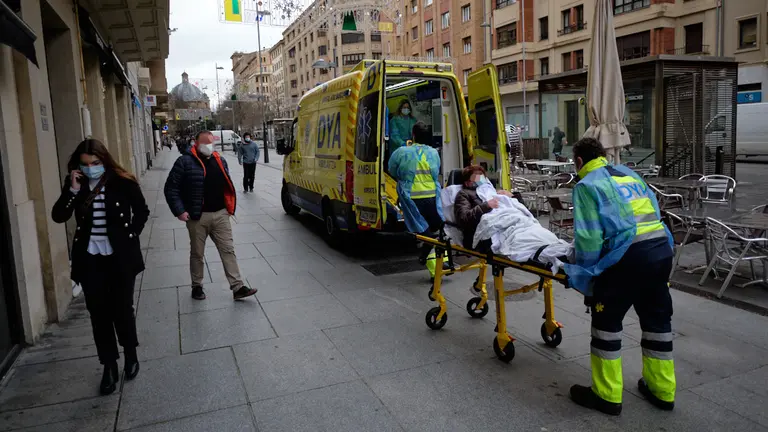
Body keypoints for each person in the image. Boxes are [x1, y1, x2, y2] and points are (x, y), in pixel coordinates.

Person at [565, 137, 675, 416]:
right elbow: (655, 213)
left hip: (626, 260)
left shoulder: (587, 186)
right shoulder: (630, 174)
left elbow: (588, 238)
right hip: (660, 251)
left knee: (607, 326)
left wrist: (586, 278)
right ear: (603, 154)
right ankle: (662, 390)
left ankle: (606, 395)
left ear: (579, 161)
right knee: (657, 322)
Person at [51, 139, 149, 395]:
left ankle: (130, 354)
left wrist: (130, 237)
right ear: (78, 166)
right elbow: (59, 215)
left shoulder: (123, 181)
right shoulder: (76, 185)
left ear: (104, 161)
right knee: (98, 313)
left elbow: (142, 212)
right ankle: (108, 365)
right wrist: (71, 191)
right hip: (90, 258)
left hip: (119, 257)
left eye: (95, 163)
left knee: (122, 309)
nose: (91, 168)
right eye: (85, 165)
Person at [164, 130, 258, 301]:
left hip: (221, 214)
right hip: (197, 217)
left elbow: (226, 183)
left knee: (228, 250)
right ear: (196, 143)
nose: (209, 146)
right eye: (205, 142)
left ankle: (238, 287)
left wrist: (229, 207)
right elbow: (171, 188)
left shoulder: (219, 160)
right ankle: (197, 286)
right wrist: (179, 210)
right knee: (197, 253)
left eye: (211, 142)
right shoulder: (184, 162)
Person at [389, 122, 444, 279]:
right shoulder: (434, 153)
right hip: (432, 196)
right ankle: (436, 265)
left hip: (411, 197)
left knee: (422, 230)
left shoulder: (401, 152)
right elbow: (436, 171)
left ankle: (427, 253)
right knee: (436, 229)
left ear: (413, 135)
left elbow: (392, 169)